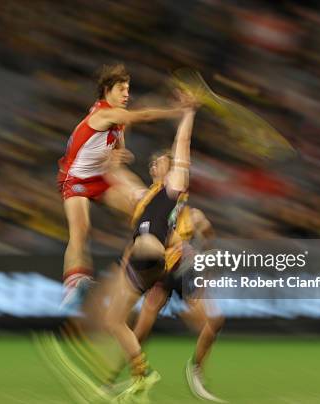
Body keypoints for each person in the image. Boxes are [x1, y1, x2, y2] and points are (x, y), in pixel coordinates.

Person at [58, 63, 192, 308]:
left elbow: (117, 144)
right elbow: (142, 116)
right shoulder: (104, 113)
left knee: (145, 208)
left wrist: (117, 154)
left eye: (128, 89)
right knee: (81, 229)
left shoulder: (117, 121)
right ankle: (73, 284)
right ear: (108, 90)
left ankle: (166, 268)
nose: (126, 94)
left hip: (102, 177)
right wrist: (177, 111)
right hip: (75, 178)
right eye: (122, 89)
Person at [104, 104, 197, 402]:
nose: (159, 166)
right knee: (115, 320)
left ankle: (129, 376)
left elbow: (182, 146)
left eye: (164, 162)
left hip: (152, 255)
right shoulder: (145, 196)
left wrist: (187, 115)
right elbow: (115, 174)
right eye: (157, 163)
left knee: (138, 251)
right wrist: (115, 152)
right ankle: (141, 374)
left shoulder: (174, 188)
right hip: (146, 264)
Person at [132, 204, 226, 402]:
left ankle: (195, 370)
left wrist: (206, 267)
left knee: (214, 322)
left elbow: (210, 241)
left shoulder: (194, 216)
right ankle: (133, 376)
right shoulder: (155, 211)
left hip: (185, 274)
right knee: (140, 330)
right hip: (162, 274)